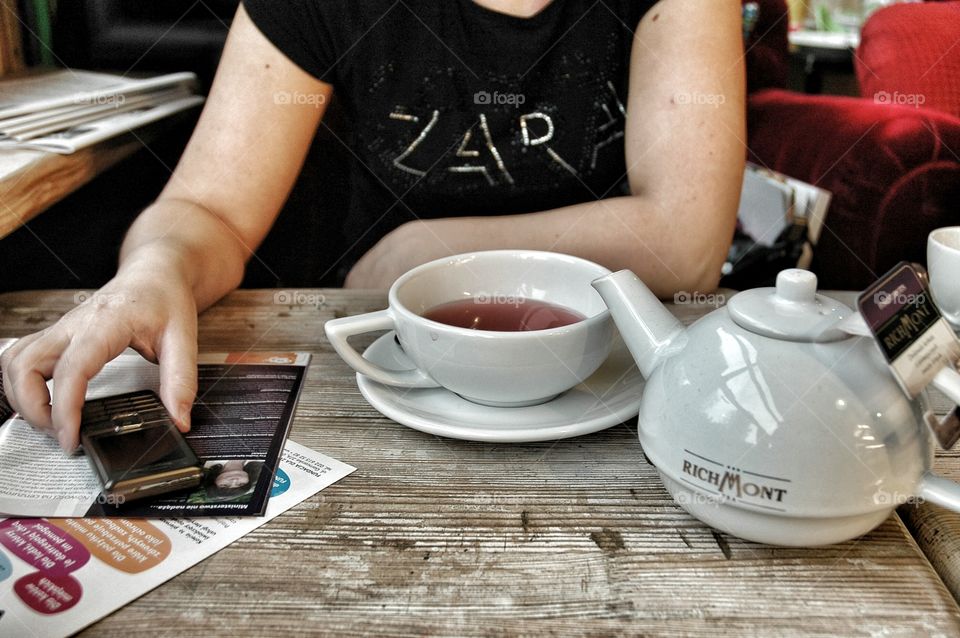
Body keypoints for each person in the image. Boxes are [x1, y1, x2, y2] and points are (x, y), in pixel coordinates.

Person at [1, 0, 746, 452]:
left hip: (613, 385)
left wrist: (428, 252)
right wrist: (150, 273)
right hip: (386, 377)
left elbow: (685, 242)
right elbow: (209, 212)